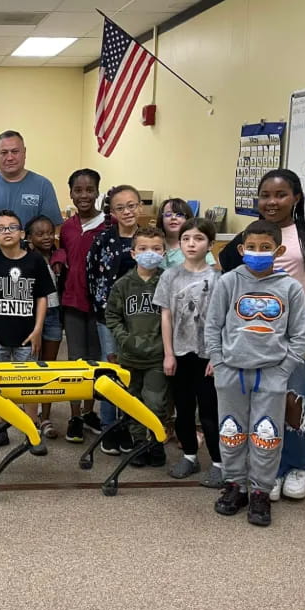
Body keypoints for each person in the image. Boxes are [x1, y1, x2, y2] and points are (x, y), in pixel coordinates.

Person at [219, 169, 305, 501]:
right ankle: (267, 472)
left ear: (296, 198)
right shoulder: (251, 235)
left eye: (280, 195)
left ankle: (296, 467)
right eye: (265, 195)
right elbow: (232, 273)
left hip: (297, 336)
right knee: (261, 402)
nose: (271, 202)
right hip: (255, 337)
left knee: (293, 400)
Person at [206, 220, 305, 527]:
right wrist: (220, 364)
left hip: (271, 376)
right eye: (251, 247)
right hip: (231, 373)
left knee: (266, 434)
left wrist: (283, 371)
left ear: (278, 250)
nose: (258, 253)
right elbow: (213, 327)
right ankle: (234, 484)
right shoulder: (228, 282)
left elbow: (300, 337)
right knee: (231, 430)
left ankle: (260, 491)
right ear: (241, 249)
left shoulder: (290, 288)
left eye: (266, 248)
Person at [0, 130, 63, 415]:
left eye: (14, 151)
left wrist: (20, 259)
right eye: (3, 152)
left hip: (29, 278)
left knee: (24, 337)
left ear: (24, 152)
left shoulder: (42, 186)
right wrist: (1, 259)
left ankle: (21, 392)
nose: (9, 157)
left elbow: (49, 228)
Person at [0, 209, 55, 453]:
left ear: (22, 233)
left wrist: (38, 329)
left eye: (12, 227)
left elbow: (42, 297)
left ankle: (32, 430)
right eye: (1, 228)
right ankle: (0, 429)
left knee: (28, 383)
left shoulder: (35, 261)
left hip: (27, 335)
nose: (7, 232)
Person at [153, 217, 222, 486]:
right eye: (186, 239)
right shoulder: (170, 276)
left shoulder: (218, 279)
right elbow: (166, 316)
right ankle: (190, 456)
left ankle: (218, 462)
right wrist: (169, 354)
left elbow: (222, 322)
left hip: (207, 356)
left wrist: (217, 356)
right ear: (178, 243)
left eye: (198, 239)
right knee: (182, 409)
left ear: (210, 244)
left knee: (208, 411)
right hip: (180, 354)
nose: (191, 244)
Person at [104, 226, 168, 467]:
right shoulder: (123, 284)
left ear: (164, 252)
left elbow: (174, 318)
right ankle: (139, 442)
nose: (149, 253)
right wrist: (125, 339)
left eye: (155, 248)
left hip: (157, 357)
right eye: (143, 248)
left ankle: (156, 441)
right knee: (132, 402)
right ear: (133, 253)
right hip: (129, 357)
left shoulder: (166, 282)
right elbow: (112, 316)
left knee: (155, 403)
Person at [86, 184, 142, 453]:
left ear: (139, 206)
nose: (127, 211)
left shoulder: (150, 239)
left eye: (132, 205)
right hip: (109, 317)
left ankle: (131, 427)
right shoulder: (103, 240)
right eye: (120, 208)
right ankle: (109, 427)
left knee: (135, 374)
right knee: (112, 371)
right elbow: (92, 275)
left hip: (144, 319)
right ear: (112, 211)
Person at [53, 168, 105, 442]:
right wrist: (59, 257)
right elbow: (61, 252)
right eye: (78, 190)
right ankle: (74, 415)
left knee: (95, 362)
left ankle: (89, 412)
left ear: (97, 192)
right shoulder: (68, 227)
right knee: (75, 361)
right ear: (71, 193)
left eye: (89, 190)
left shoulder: (107, 225)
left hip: (98, 306)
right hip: (72, 302)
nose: (84, 195)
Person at [25, 214, 62, 439]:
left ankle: (46, 416)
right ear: (29, 237)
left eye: (50, 232)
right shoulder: (26, 260)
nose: (47, 237)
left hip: (54, 315)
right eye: (40, 234)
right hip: (31, 317)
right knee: (32, 367)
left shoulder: (59, 257)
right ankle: (32, 415)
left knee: (49, 367)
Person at [156, 197, 217, 270]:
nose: (173, 217)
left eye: (179, 214)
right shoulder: (154, 244)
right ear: (161, 219)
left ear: (188, 219)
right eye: (168, 214)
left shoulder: (197, 247)